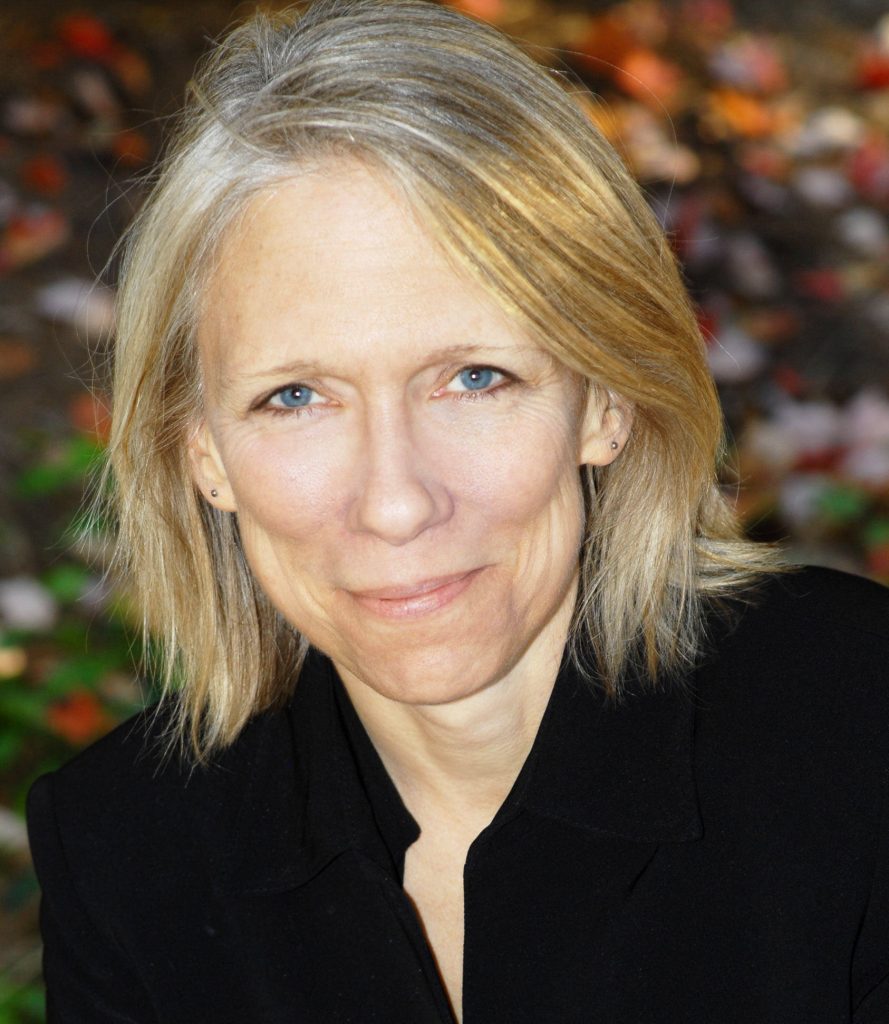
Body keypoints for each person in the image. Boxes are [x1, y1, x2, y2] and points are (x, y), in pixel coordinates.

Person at [25, 0, 889, 1021]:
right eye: (294, 396)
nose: (395, 502)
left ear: (604, 398)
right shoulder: (126, 854)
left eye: (475, 378)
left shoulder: (860, 735)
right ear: (202, 450)